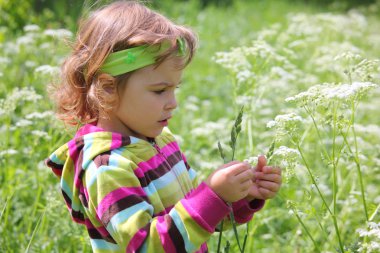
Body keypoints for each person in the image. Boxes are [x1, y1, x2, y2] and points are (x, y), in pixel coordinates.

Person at [45, 1, 282, 252]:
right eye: (160, 90)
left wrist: (241, 197)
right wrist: (214, 195)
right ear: (108, 88)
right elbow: (149, 246)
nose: (173, 103)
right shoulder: (107, 167)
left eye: (174, 88)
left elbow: (193, 225)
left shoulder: (161, 141)